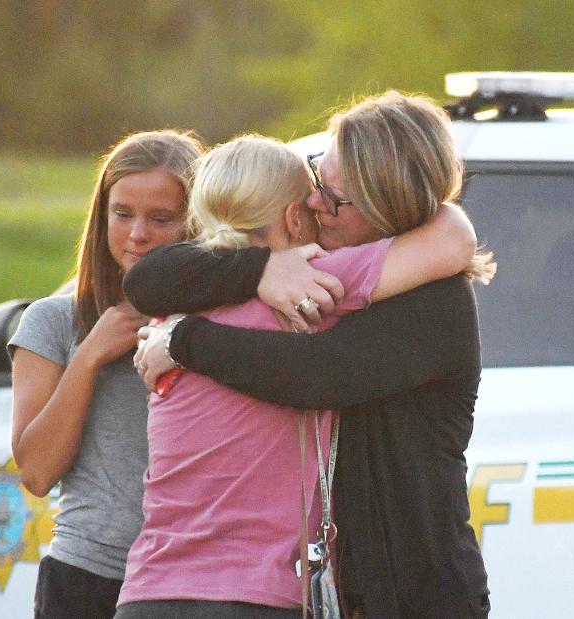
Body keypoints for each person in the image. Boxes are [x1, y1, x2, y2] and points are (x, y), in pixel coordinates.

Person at [126, 91, 495, 618]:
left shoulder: (435, 303)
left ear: (387, 208)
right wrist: (260, 269)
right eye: (317, 177)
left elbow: (317, 373)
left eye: (334, 199)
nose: (315, 203)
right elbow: (149, 279)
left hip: (415, 598)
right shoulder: (307, 271)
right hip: (333, 596)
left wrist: (184, 341)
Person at [8, 130, 204, 619]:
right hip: (86, 576)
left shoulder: (222, 321)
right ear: (102, 215)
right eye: (122, 214)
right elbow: (37, 473)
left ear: (197, 220)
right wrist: (91, 354)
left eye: (161, 218)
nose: (138, 234)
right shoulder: (53, 320)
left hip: (196, 579)